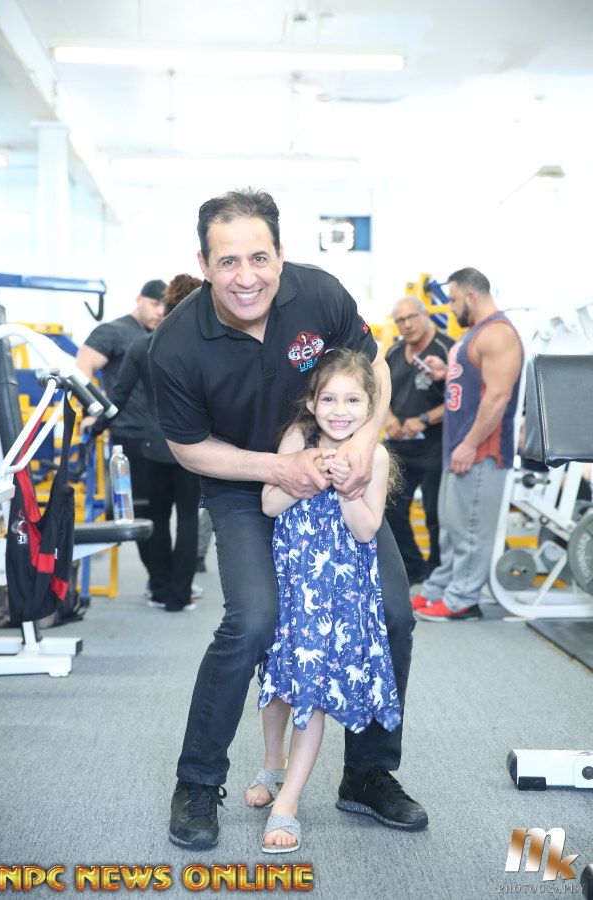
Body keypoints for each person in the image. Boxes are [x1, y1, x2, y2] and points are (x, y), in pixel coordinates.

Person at [149, 188, 427, 851]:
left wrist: (361, 447)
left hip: (338, 479)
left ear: (280, 255)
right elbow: (189, 448)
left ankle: (367, 773)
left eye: (259, 258)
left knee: (393, 613)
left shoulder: (319, 295)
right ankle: (198, 781)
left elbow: (375, 368)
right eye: (227, 261)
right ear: (203, 263)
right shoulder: (176, 344)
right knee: (254, 619)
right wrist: (279, 469)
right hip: (245, 486)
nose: (246, 277)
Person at [246, 349, 402, 853]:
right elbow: (269, 504)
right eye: (329, 399)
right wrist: (312, 471)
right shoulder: (298, 438)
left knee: (310, 688)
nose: (340, 410)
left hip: (335, 595)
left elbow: (366, 530)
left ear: (370, 405)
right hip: (292, 583)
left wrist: (344, 486)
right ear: (312, 403)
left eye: (353, 400)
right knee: (277, 681)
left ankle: (287, 803)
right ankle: (272, 764)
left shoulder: (375, 457)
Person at [412, 267, 523, 622]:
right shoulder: (475, 333)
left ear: (471, 296)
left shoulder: (499, 334)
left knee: (471, 531)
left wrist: (471, 444)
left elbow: (499, 396)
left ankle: (462, 600)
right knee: (451, 528)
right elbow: (474, 383)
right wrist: (444, 372)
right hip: (459, 446)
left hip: (481, 450)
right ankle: (442, 588)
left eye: (455, 299)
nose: (451, 306)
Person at [90, 274, 204, 612]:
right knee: (188, 519)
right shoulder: (207, 347)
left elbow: (117, 397)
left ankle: (162, 589)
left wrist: (96, 427)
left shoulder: (142, 346)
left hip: (155, 446)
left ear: (166, 305)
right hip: (195, 449)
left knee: (157, 517)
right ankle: (180, 596)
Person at [76, 280, 166, 576]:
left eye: (164, 306)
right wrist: (93, 410)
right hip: (129, 434)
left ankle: (168, 581)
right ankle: (159, 579)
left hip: (160, 436)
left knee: (162, 512)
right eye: (154, 304)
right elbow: (83, 365)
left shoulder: (162, 333)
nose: (159, 311)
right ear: (139, 299)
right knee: (142, 510)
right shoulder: (113, 331)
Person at [384, 296, 454, 584]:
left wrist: (424, 419)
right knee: (389, 508)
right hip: (400, 446)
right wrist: (389, 418)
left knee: (436, 515)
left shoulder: (448, 350)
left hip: (436, 446)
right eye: (400, 320)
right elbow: (380, 389)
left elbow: (460, 400)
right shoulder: (394, 352)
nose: (407, 325)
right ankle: (413, 570)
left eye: (411, 317)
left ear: (425, 315)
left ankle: (438, 573)